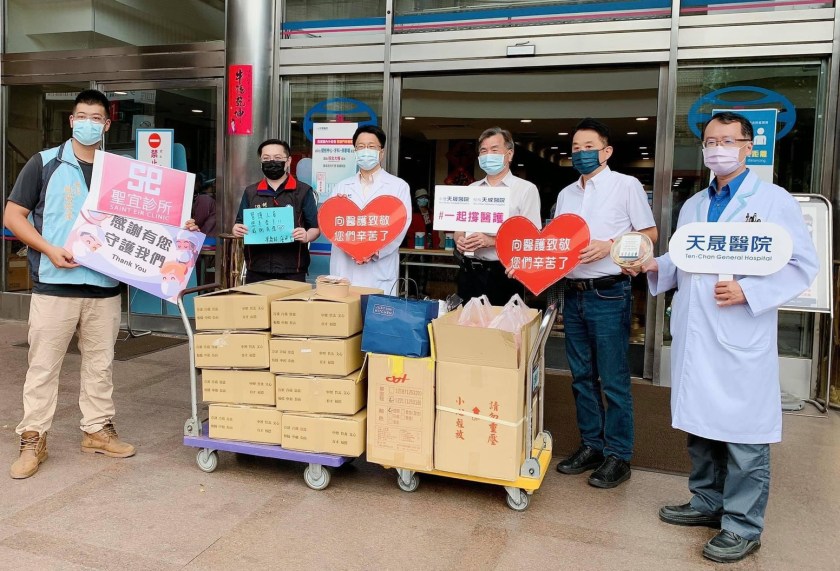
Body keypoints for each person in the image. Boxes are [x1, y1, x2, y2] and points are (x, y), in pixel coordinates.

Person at [627, 111, 818, 563]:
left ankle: (743, 525)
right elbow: (685, 258)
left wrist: (750, 292)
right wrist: (655, 265)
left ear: (748, 147)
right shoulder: (694, 204)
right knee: (701, 424)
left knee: (744, 433)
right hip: (698, 331)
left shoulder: (772, 201)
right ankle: (707, 502)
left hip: (740, 332)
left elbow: (802, 265)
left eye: (728, 141)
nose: (718, 149)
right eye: (711, 141)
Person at [3, 89, 135, 479]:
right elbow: (13, 215)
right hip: (56, 284)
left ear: (107, 125)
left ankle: (97, 430)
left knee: (100, 365)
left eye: (97, 118)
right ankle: (33, 438)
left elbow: (144, 222)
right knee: (43, 366)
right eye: (82, 116)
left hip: (104, 286)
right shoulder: (44, 163)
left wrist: (181, 226)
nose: (88, 124)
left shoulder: (120, 170)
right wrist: (48, 248)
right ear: (72, 120)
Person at [553, 118, 657, 489]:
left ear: (606, 151)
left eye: (589, 147)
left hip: (609, 292)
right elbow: (557, 242)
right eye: (576, 148)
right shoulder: (566, 195)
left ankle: (619, 455)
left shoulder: (626, 185)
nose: (581, 153)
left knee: (612, 378)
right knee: (581, 377)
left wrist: (610, 245)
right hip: (573, 292)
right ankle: (592, 445)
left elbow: (649, 235)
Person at [455, 127, 541, 306]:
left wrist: (492, 241)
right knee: (467, 322)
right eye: (483, 151)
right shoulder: (471, 189)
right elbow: (459, 229)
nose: (488, 155)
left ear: (509, 154)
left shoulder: (525, 189)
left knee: (503, 323)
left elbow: (531, 239)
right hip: (470, 271)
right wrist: (459, 240)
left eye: (494, 150)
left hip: (504, 273)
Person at [329, 125, 412, 293]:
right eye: (360, 146)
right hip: (345, 269)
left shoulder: (398, 186)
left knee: (377, 308)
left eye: (371, 146)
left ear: (382, 152)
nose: (365, 151)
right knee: (345, 308)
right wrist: (353, 248)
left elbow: (401, 225)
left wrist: (375, 251)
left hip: (379, 270)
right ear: (355, 152)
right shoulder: (342, 187)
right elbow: (331, 223)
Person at [232, 139, 320, 283]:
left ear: (288, 161)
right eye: (266, 158)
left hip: (292, 270)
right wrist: (237, 229)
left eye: (277, 158)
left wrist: (306, 236)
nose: (272, 162)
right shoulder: (251, 192)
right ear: (261, 162)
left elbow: (315, 228)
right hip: (256, 268)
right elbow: (239, 223)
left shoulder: (303, 191)